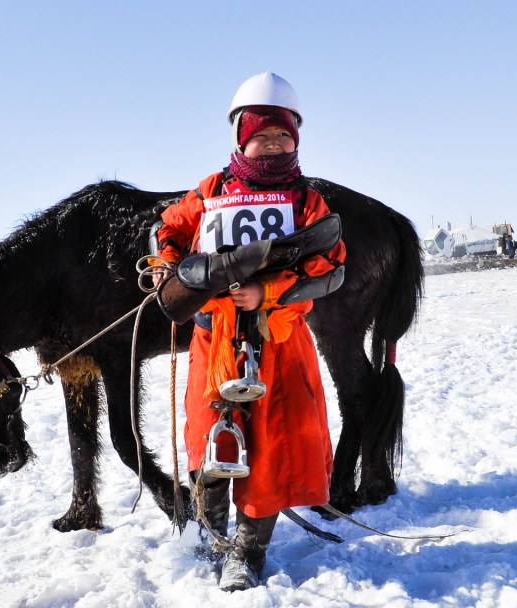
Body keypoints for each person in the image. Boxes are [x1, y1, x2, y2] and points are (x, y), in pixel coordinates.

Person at [154, 71, 346, 592]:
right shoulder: (211, 191)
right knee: (209, 442)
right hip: (214, 340)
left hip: (279, 342)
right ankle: (212, 534)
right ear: (242, 138)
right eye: (262, 135)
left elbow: (330, 262)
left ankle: (247, 552)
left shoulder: (308, 202)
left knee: (272, 452)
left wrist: (269, 291)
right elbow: (169, 228)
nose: (274, 143)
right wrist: (169, 265)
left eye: (284, 134)